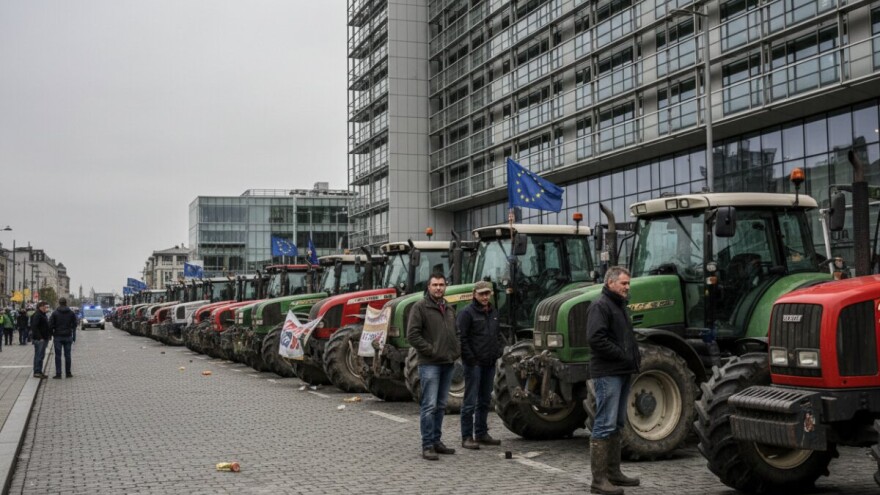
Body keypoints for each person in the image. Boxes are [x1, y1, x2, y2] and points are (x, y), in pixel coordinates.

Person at [587, 266, 641, 495]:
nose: (627, 287)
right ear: (610, 283)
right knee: (604, 424)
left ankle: (614, 473)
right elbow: (596, 339)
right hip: (608, 372)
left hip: (622, 371)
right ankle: (599, 481)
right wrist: (623, 355)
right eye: (624, 283)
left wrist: (633, 358)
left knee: (617, 423)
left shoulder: (619, 306)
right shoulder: (601, 306)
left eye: (628, 284)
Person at [407, 273, 460, 461]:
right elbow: (412, 335)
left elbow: (456, 332)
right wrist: (431, 350)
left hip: (447, 363)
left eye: (441, 284)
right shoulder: (420, 307)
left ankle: (437, 441)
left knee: (441, 405)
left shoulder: (449, 308)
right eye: (435, 285)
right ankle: (427, 445)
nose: (438, 288)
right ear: (428, 287)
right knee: (429, 406)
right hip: (430, 364)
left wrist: (456, 350)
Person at [458, 280, 503, 450]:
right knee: (470, 401)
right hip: (474, 364)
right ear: (474, 294)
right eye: (482, 294)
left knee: (485, 400)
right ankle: (467, 436)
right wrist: (471, 358)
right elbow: (462, 338)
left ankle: (481, 433)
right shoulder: (467, 313)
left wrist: (498, 351)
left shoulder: (493, 312)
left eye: (487, 293)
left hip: (489, 362)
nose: (485, 297)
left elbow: (497, 334)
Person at [49, 298, 77, 379]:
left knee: (58, 355)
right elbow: (75, 324)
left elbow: (50, 325)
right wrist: (72, 333)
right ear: (66, 303)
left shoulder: (55, 313)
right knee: (67, 355)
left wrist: (52, 334)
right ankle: (68, 373)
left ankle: (58, 373)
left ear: (59, 303)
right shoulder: (71, 313)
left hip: (58, 336)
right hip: (68, 336)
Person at [30, 301, 51, 379]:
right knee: (39, 355)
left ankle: (38, 371)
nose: (46, 308)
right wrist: (40, 337)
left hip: (42, 338)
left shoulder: (42, 314)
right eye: (45, 307)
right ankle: (37, 372)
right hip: (40, 339)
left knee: (39, 355)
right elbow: (34, 327)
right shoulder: (38, 315)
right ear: (41, 307)